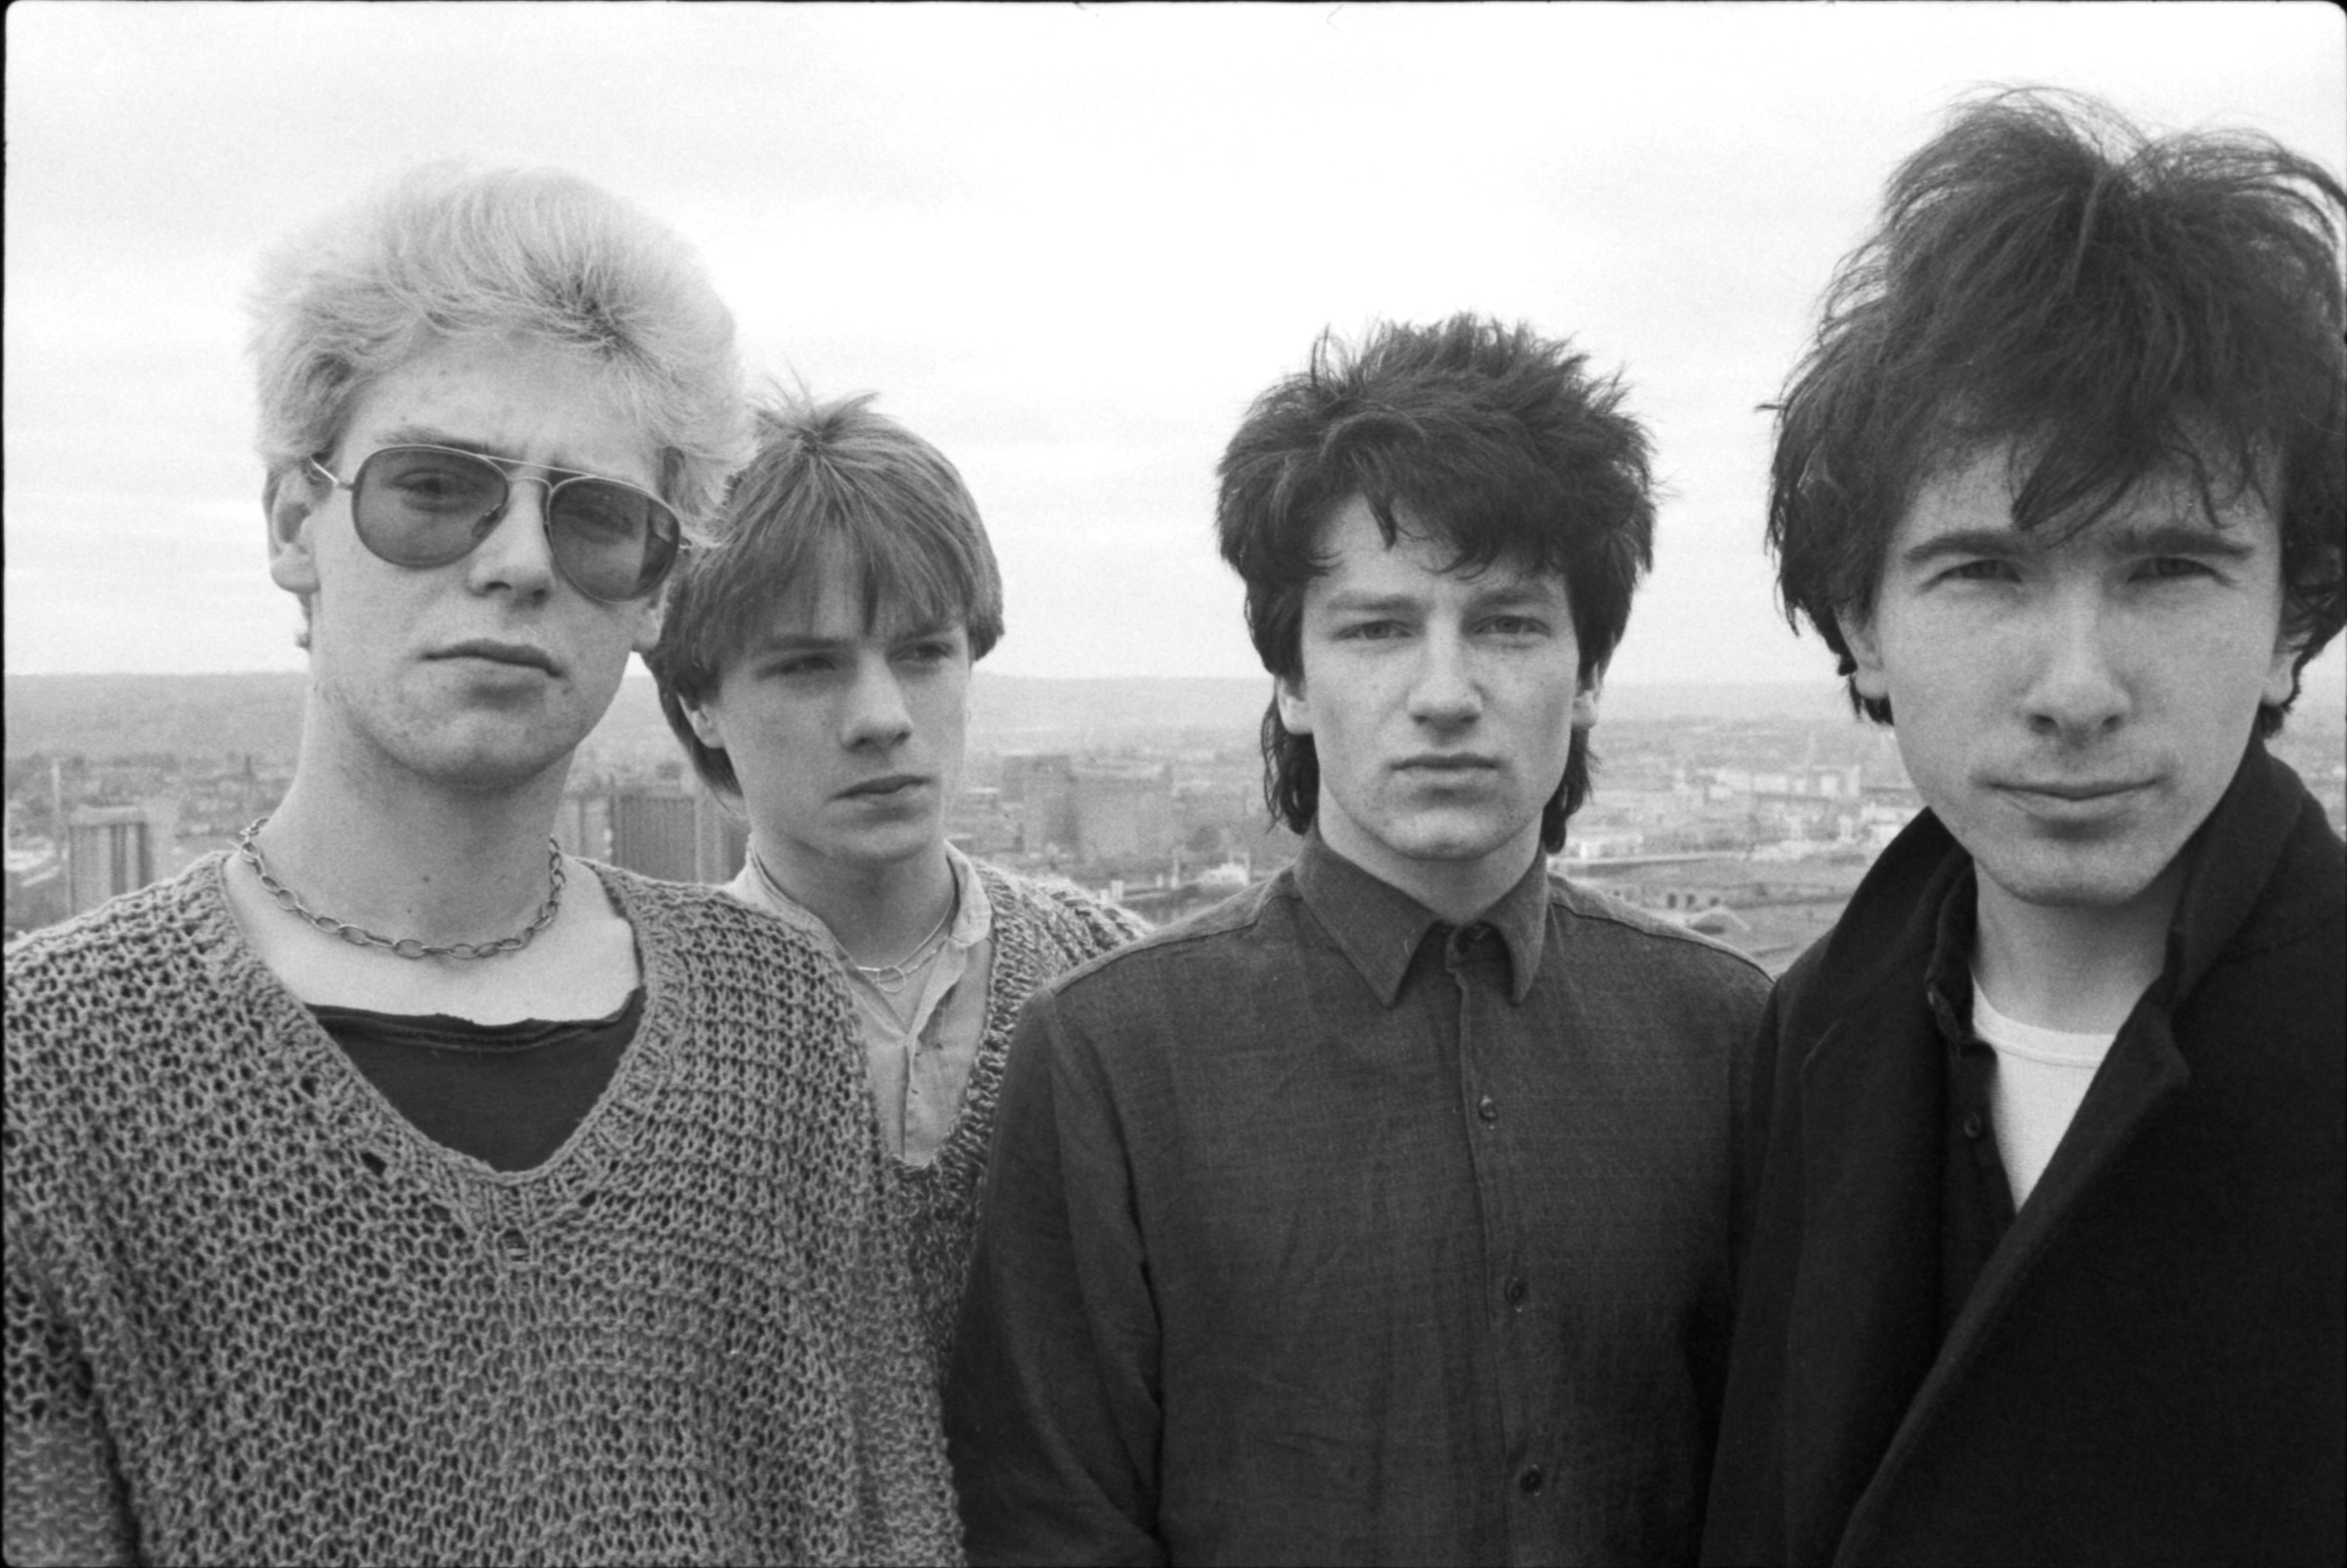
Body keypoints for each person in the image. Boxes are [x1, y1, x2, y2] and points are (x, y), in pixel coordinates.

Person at [3, 165, 960, 1566]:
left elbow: (891, 1522)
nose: (517, 563)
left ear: (652, 593)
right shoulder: (51, 1066)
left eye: (594, 519)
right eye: (436, 491)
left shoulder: (775, 1019)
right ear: (293, 526)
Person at [947, 313, 1773, 1565]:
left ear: (1590, 674)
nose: (1444, 695)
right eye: (1377, 629)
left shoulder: (1724, 1033)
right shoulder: (1113, 1058)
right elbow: (1050, 1524)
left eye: (1507, 624)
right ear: (1290, 679)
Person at [1702, 91, 2345, 1566]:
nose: (2074, 690)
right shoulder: (1808, 1038)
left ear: (2287, 622)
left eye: (2167, 569)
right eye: (1984, 573)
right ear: (1860, 625)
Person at [646, 391, 1146, 1382]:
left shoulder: (1115, 975)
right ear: (700, 702)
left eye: (922, 653)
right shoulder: (640, 1022)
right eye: (807, 667)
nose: (881, 717)